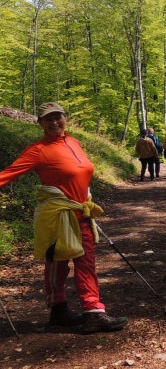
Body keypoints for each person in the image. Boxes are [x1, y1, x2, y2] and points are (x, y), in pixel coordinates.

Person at [0, 101, 128, 332]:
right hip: (57, 215)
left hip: (81, 212)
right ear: (40, 123)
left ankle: (92, 311)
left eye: (57, 116)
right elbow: (7, 175)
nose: (54, 122)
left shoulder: (74, 142)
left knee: (85, 262)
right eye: (47, 119)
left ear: (65, 118)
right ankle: (59, 310)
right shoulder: (37, 150)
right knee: (57, 262)